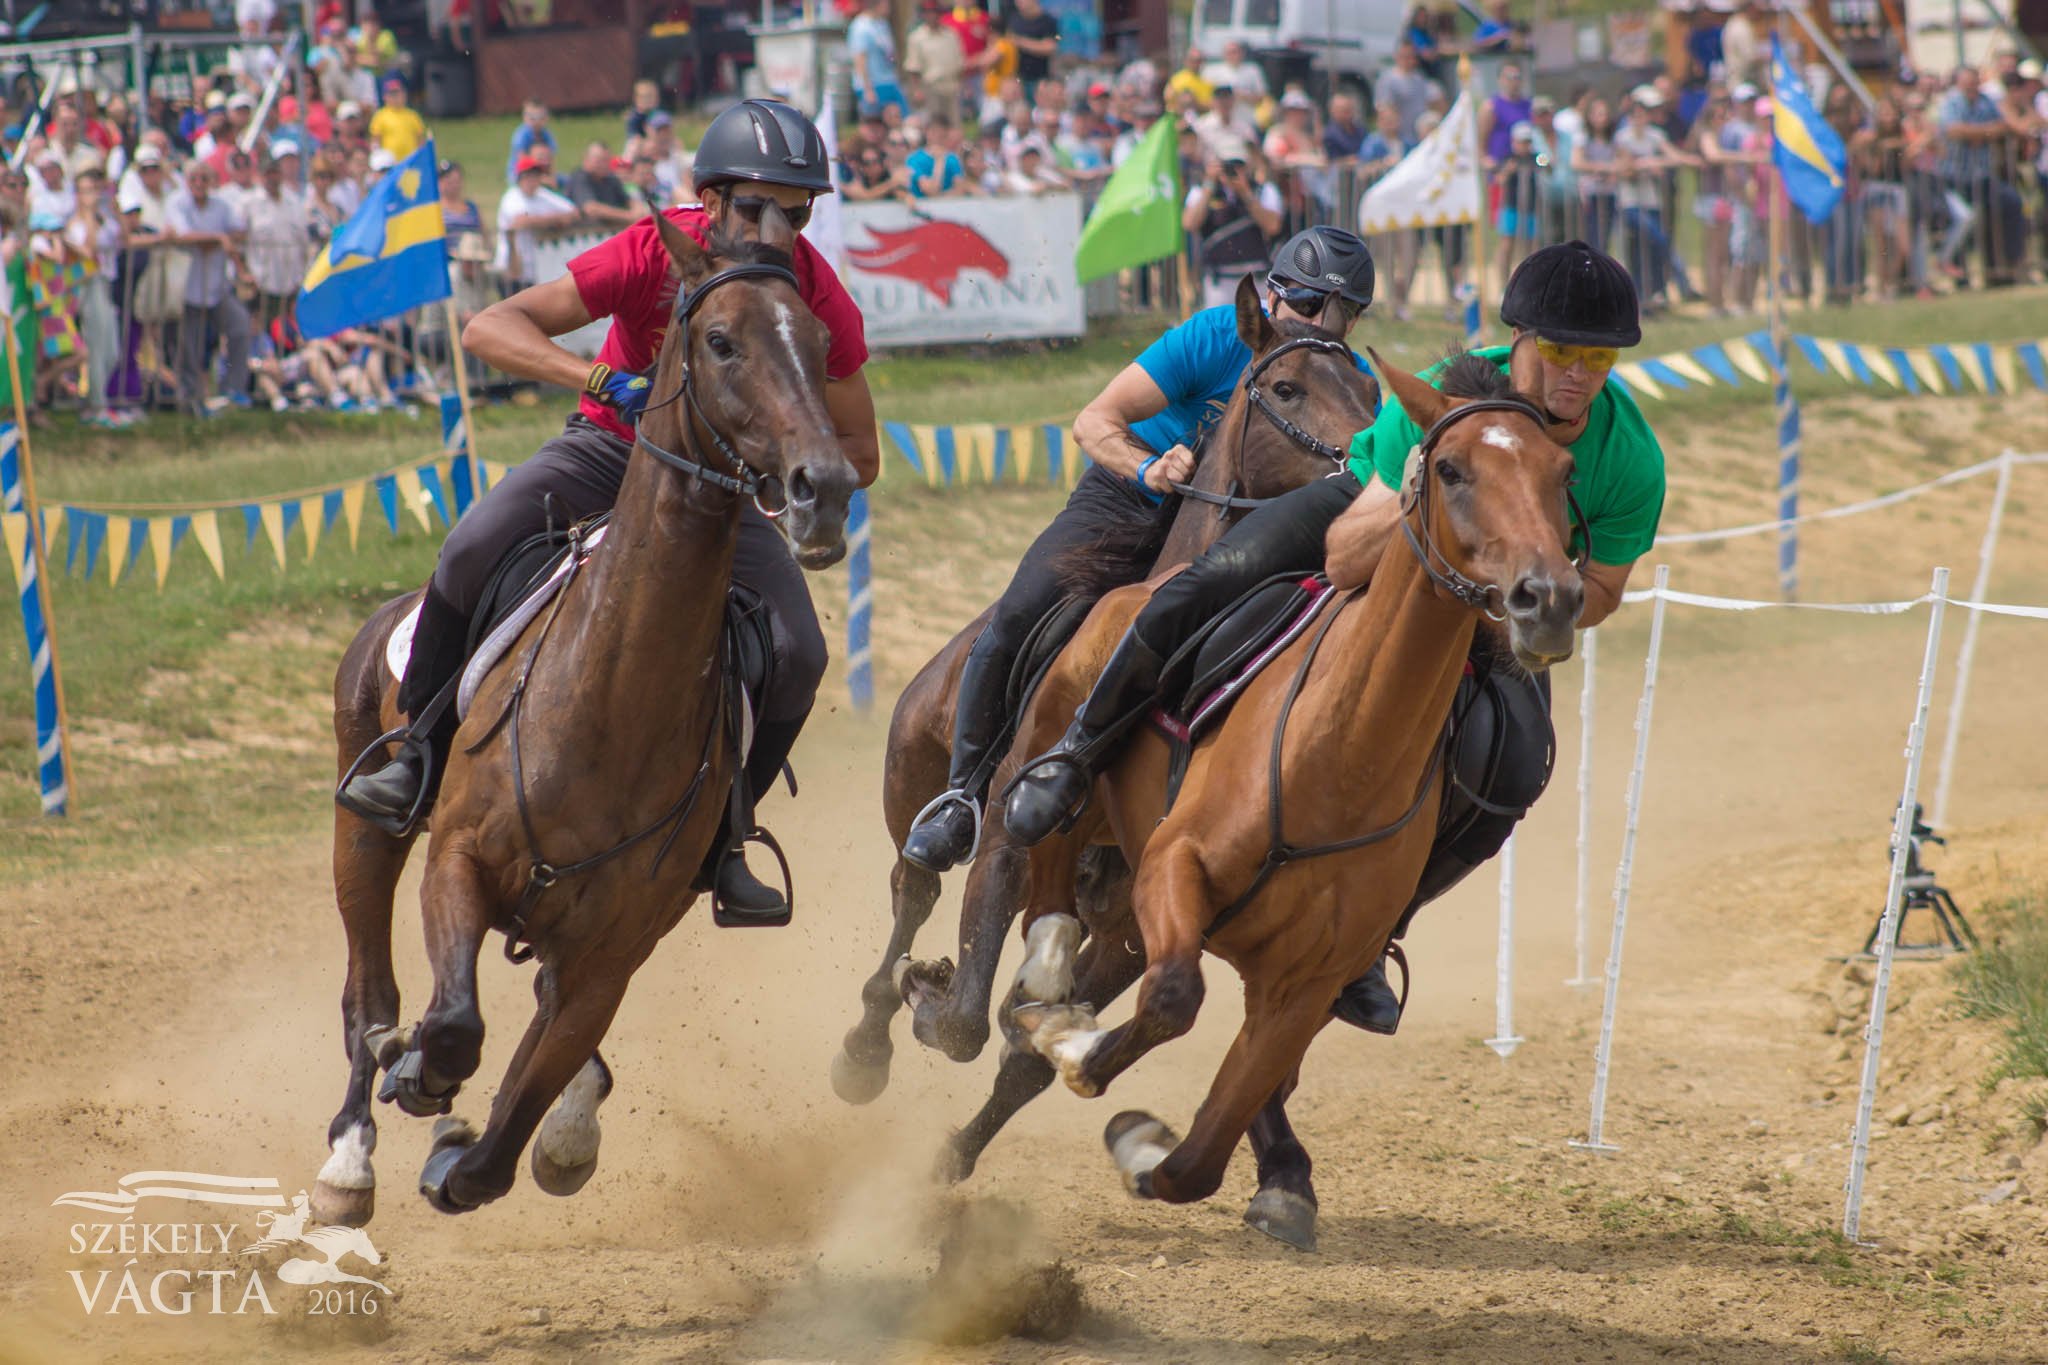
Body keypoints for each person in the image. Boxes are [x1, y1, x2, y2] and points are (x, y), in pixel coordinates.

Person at [1002, 241, 1665, 1035]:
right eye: (1561, 350)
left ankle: (1373, 934)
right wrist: (1429, 507)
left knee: (1519, 767)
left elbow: (1602, 590)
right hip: (1365, 521)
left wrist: (1521, 607)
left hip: (1501, 605)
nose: (1580, 373)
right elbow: (1348, 556)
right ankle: (1074, 755)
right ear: (1517, 339)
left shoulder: (1631, 457)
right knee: (1200, 586)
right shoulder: (1435, 403)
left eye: (1600, 355)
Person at [338, 101, 882, 923]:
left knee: (801, 652)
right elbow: (491, 326)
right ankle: (413, 754)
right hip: (602, 452)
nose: (776, 231)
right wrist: (596, 381)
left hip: (718, 492)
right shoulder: (647, 251)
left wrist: (778, 459)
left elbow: (860, 451)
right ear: (711, 198)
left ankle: (724, 838)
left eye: (797, 212)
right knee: (469, 546)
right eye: (756, 207)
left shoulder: (815, 295)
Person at [899, 227, 1379, 873]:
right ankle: (960, 794)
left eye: (1345, 314)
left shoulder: (1352, 379)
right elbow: (1094, 421)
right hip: (1128, 500)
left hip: (1239, 530)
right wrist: (1147, 467)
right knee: (1024, 607)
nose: (1326, 324)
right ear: (1272, 296)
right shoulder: (1214, 336)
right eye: (1312, 305)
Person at [164, 161, 251, 416]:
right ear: (187, 181)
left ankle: (233, 389)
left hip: (216, 285)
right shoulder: (177, 202)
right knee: (189, 347)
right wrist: (217, 238)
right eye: (194, 179)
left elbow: (238, 232)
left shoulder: (221, 205)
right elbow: (183, 235)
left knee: (239, 327)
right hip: (186, 287)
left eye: (204, 179)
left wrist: (219, 240)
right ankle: (190, 399)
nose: (199, 184)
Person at [1183, 146, 1284, 307]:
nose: (1233, 171)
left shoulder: (1264, 190)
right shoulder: (1201, 191)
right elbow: (1190, 223)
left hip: (1256, 279)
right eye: (1227, 166)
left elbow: (1273, 226)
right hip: (1220, 283)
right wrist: (1209, 186)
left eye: (1238, 166)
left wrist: (1245, 193)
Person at [494, 154, 578, 284]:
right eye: (528, 176)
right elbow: (522, 221)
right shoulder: (512, 197)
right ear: (520, 178)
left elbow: (573, 212)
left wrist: (542, 221)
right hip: (512, 269)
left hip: (537, 269)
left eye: (536, 175)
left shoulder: (543, 194)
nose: (532, 180)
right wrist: (555, 220)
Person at [904, 0, 968, 118]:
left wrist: (963, 85)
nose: (932, 16)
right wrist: (917, 90)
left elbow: (960, 62)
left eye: (935, 12)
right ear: (923, 15)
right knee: (935, 124)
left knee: (954, 124)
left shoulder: (951, 35)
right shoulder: (917, 37)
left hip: (952, 86)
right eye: (928, 13)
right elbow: (913, 68)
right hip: (931, 87)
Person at [849, 0, 908, 118]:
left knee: (904, 117)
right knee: (880, 122)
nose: (889, 7)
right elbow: (860, 59)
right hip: (874, 85)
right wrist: (867, 89)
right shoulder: (861, 26)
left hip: (890, 81)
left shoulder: (882, 24)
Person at [566, 141, 639, 226]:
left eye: (607, 161)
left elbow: (629, 201)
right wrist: (628, 216)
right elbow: (591, 208)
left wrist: (638, 209)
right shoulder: (579, 178)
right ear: (586, 159)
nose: (604, 165)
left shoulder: (611, 179)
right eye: (599, 161)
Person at [1008, 0, 1060, 98]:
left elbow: (1050, 47)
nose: (1018, 2)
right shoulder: (1014, 20)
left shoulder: (1047, 21)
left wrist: (1020, 42)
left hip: (1041, 79)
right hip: (1019, 79)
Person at [370, 75, 427, 161]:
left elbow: (420, 138)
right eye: (392, 94)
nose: (395, 97)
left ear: (404, 94)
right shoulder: (380, 116)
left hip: (410, 160)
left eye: (397, 93)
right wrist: (377, 156)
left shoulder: (412, 115)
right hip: (390, 161)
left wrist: (422, 155)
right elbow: (376, 140)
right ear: (385, 97)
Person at [508, 99, 557, 184]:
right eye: (532, 117)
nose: (536, 121)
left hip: (541, 171)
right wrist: (539, 177)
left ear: (546, 118)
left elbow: (551, 158)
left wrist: (552, 177)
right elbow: (522, 160)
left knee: (564, 180)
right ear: (524, 117)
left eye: (540, 117)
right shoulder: (522, 135)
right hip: (521, 173)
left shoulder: (546, 134)